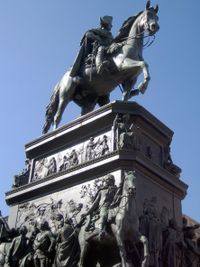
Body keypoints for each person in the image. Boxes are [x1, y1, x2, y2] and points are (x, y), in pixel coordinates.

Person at [82, 174, 119, 240]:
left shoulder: (116, 190)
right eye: (106, 180)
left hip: (114, 207)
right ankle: (101, 232)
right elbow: (95, 203)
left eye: (108, 180)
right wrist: (87, 212)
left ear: (112, 180)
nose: (106, 181)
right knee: (104, 215)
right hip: (104, 207)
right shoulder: (102, 191)